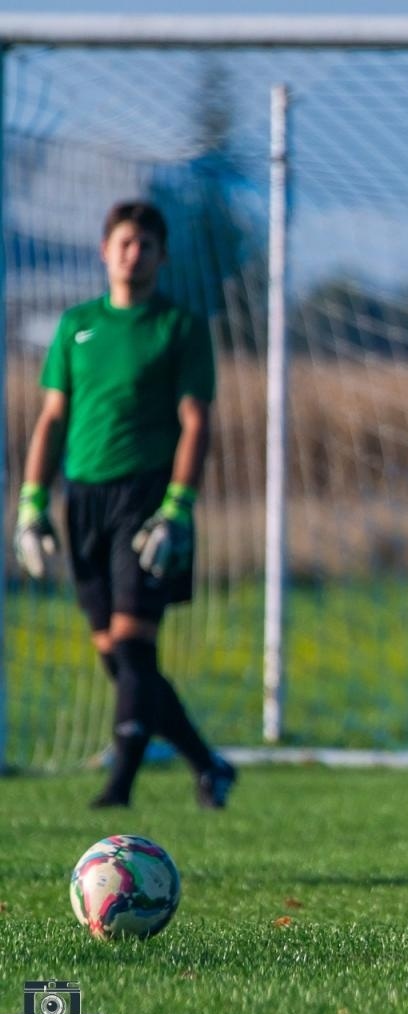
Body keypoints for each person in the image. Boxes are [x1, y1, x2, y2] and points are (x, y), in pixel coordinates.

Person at [12, 199, 236, 810]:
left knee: (135, 647)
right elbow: (53, 417)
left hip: (146, 499)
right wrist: (32, 503)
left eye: (145, 245)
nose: (132, 253)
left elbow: (196, 422)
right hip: (82, 500)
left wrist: (177, 508)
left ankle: (118, 789)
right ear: (104, 250)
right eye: (124, 242)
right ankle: (208, 764)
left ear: (162, 257)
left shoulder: (178, 328)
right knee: (115, 656)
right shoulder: (76, 325)